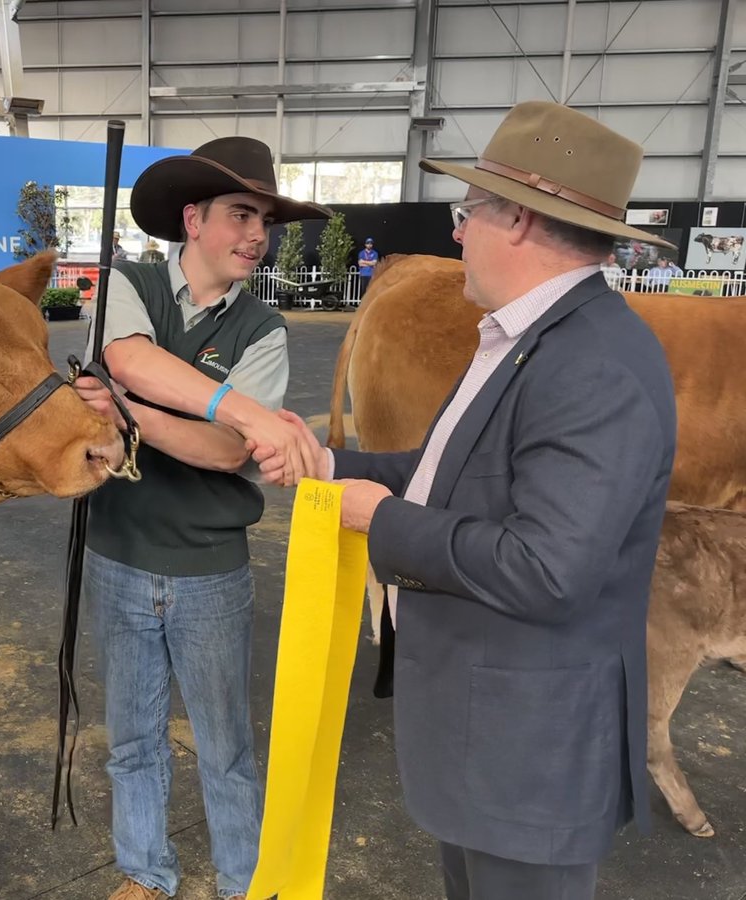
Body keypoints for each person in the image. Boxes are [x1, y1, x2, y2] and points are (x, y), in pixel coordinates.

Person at [255, 101, 677, 900]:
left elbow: (548, 568)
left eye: (469, 211)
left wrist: (377, 520)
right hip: (492, 743)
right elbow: (445, 471)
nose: (458, 232)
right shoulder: (526, 339)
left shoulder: (592, 365)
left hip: (529, 761)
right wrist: (328, 463)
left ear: (517, 220)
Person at [73, 135, 330, 900]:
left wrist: (129, 420)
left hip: (209, 570)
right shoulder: (128, 283)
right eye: (241, 215)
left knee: (224, 747)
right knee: (132, 740)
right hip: (117, 553)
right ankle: (144, 872)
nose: (257, 235)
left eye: (266, 222)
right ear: (193, 218)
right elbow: (127, 358)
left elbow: (222, 454)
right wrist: (247, 413)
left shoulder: (264, 329)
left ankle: (246, 882)